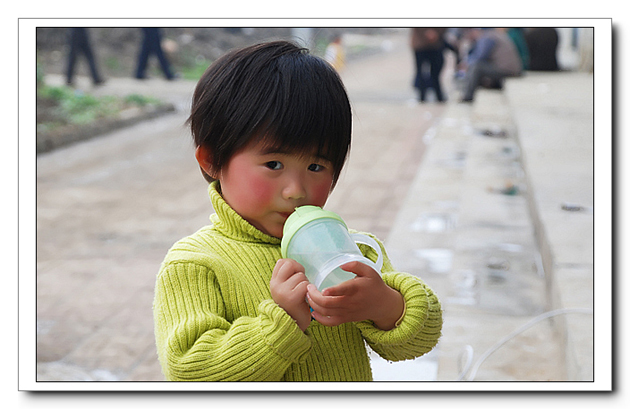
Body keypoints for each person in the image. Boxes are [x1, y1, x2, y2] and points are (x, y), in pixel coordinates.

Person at [153, 41, 442, 381]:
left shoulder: (347, 250)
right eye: (273, 163)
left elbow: (416, 341)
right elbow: (190, 370)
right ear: (213, 160)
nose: (297, 190)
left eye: (317, 166)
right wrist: (281, 324)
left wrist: (385, 305)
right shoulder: (195, 263)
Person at [459, 28, 523, 102]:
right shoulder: (495, 34)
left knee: (476, 67)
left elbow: (480, 57)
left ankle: (468, 96)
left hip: (507, 70)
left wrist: (466, 64)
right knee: (477, 67)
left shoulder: (488, 37)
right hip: (511, 69)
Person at [410, 28, 447, 102]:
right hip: (420, 43)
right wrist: (426, 33)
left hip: (436, 44)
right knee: (420, 72)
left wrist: (436, 33)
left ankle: (439, 95)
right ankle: (422, 97)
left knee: (436, 73)